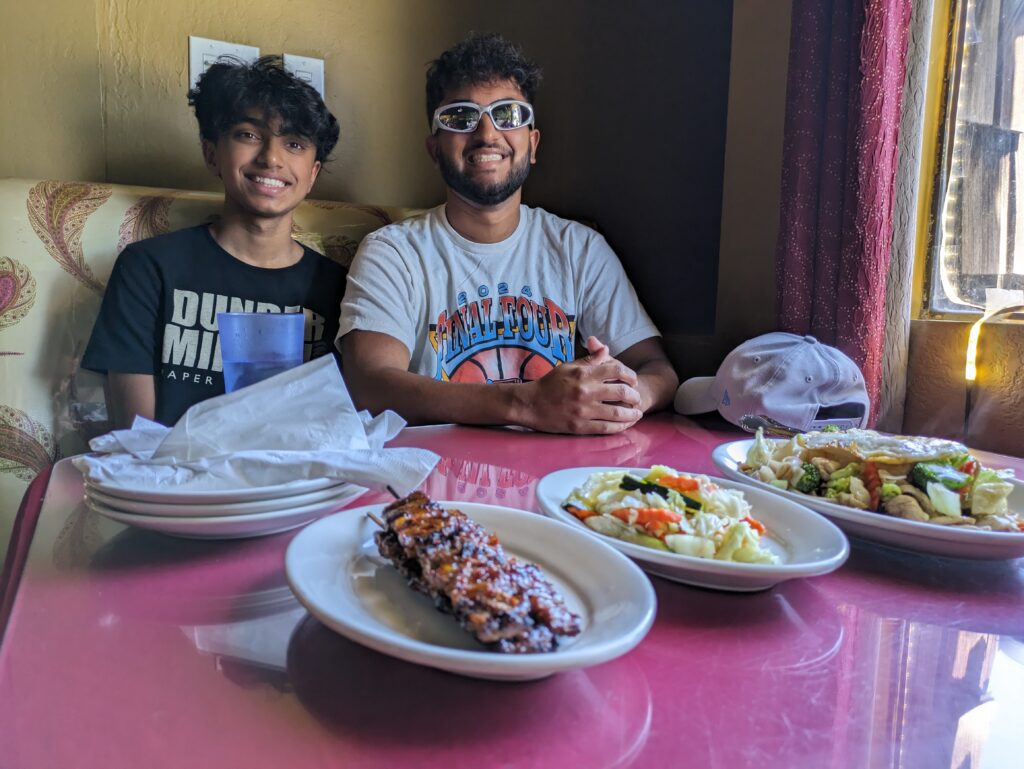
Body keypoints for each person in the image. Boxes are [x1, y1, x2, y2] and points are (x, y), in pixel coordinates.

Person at [338, 33, 677, 434]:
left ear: (532, 143)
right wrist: (525, 403)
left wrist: (619, 399)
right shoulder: (393, 252)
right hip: (432, 480)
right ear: (434, 149)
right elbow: (370, 387)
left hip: (558, 478)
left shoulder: (579, 248)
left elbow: (658, 371)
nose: (487, 134)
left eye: (509, 115)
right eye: (461, 117)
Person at [82, 56, 344, 428]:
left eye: (295, 144)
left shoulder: (339, 288)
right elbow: (136, 441)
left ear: (313, 173)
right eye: (249, 135)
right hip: (173, 481)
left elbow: (336, 429)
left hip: (296, 484)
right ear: (211, 153)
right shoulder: (148, 269)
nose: (271, 157)